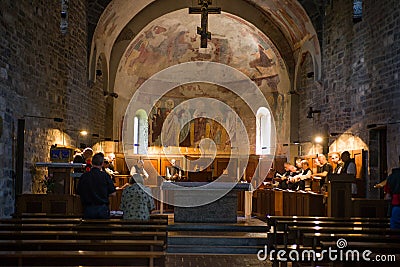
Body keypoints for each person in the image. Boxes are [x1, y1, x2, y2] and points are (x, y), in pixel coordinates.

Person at [77, 152, 116, 219]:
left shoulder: (84, 176)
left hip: (88, 208)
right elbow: (113, 193)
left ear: (92, 163)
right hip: (102, 209)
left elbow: (78, 191)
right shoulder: (105, 176)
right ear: (102, 164)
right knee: (103, 228)